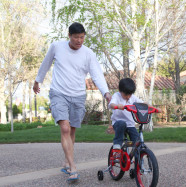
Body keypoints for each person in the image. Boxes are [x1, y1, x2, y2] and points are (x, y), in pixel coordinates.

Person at [33, 22, 111, 181]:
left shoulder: (88, 53)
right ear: (69, 36)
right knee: (66, 129)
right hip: (58, 93)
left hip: (78, 95)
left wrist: (106, 93)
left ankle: (67, 161)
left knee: (72, 130)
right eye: (76, 37)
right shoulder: (57, 47)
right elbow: (45, 64)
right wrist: (37, 81)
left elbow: (96, 74)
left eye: (82, 37)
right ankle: (73, 167)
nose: (79, 41)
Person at [108, 78, 161, 157]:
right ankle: (117, 145)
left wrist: (153, 108)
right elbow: (111, 104)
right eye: (126, 94)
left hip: (130, 124)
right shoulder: (116, 96)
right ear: (120, 91)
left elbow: (143, 103)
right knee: (121, 124)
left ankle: (138, 160)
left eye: (130, 94)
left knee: (137, 141)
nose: (128, 97)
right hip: (118, 123)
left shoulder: (133, 97)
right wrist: (117, 106)